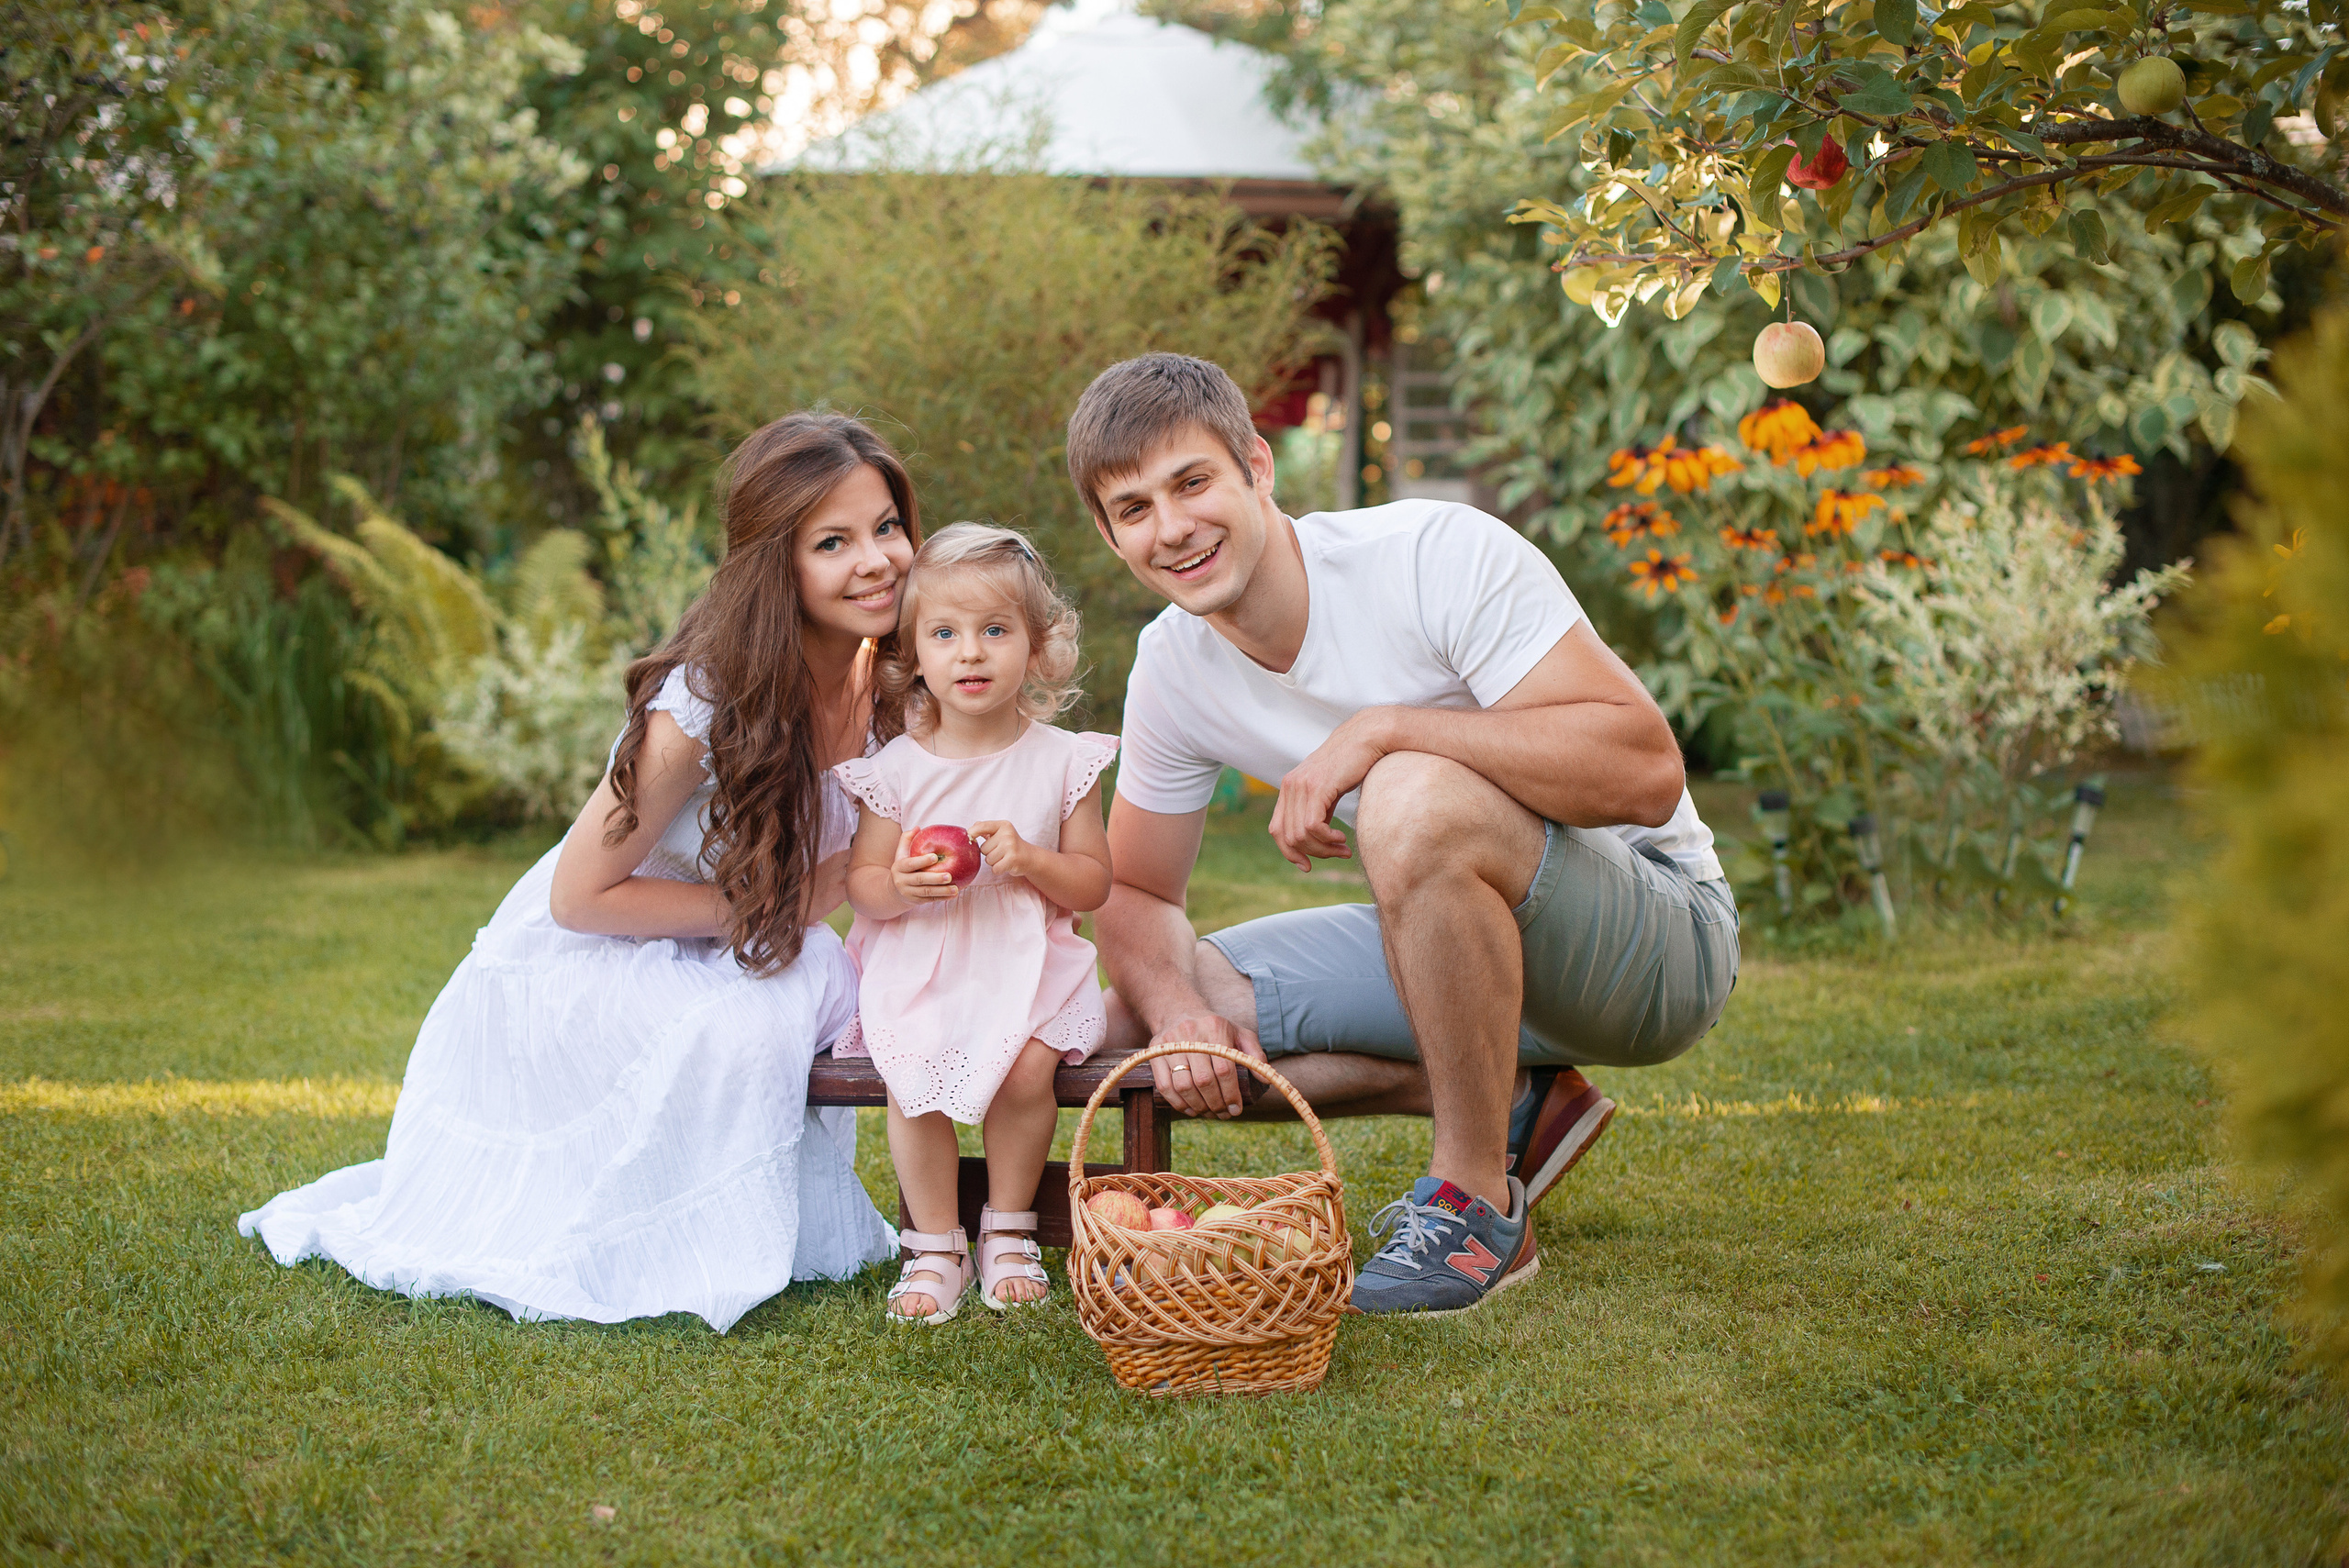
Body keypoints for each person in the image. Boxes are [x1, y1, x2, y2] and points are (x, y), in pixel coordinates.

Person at [1072, 353, 1739, 1318]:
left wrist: (1385, 727)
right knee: (1134, 1022)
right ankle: (1507, 1100)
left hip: (1654, 940)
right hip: (1468, 958)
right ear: (1110, 535)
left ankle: (1476, 1203)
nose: (1171, 528)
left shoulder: (1431, 553)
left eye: (1191, 482)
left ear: (1257, 467)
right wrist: (1180, 1009)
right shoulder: (1173, 665)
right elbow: (1135, 893)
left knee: (1410, 791)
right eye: (1133, 508)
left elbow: (1642, 770)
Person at [237, 413, 917, 1332]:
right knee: (765, 1008)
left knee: (842, 979)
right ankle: (663, 1236)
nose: (875, 558)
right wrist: (763, 910)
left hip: (741, 935)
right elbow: (579, 895)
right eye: (833, 541)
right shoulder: (703, 707)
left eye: (885, 526)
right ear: (776, 565)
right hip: (599, 954)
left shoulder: (889, 685)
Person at [829, 523, 1119, 1324]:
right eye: (946, 633)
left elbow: (1092, 883)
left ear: (1036, 646)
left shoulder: (1064, 760)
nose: (971, 653)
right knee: (910, 1077)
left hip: (1027, 959)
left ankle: (1009, 1228)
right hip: (924, 961)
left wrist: (1030, 859)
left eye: (996, 631)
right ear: (912, 652)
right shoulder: (897, 767)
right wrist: (902, 883)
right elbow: (864, 887)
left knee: (1028, 1071)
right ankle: (933, 1243)